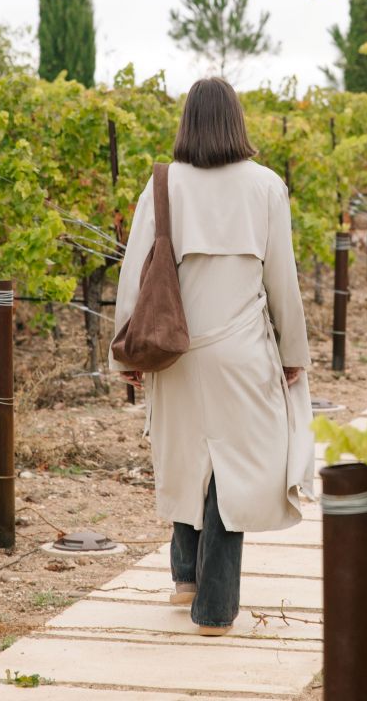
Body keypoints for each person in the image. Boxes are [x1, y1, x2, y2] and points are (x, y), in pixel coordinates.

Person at [108, 77, 315, 636]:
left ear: (187, 124)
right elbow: (282, 282)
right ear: (236, 122)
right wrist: (294, 352)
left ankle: (184, 579)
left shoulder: (162, 187)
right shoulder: (267, 187)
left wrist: (124, 349)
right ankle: (215, 610)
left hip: (173, 349)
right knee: (232, 468)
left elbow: (135, 278)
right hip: (241, 349)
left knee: (185, 458)